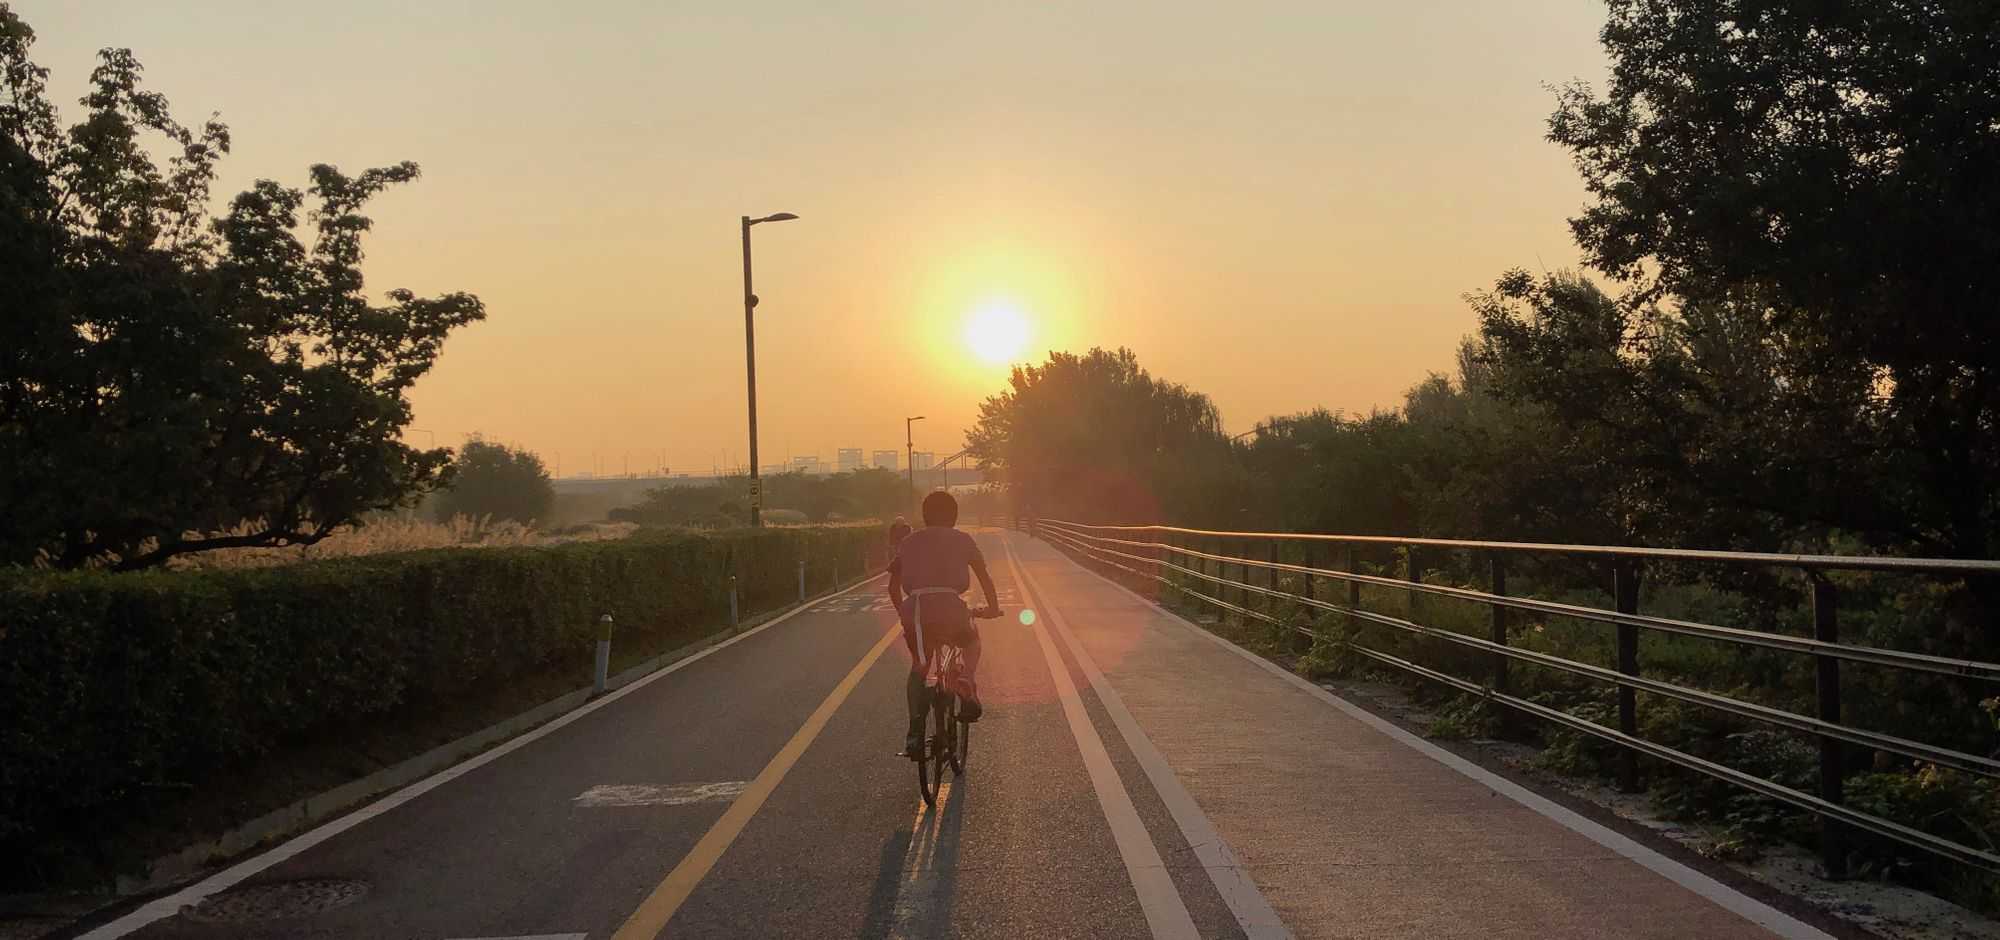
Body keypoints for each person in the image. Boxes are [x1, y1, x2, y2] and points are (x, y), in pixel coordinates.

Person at [888, 491, 1000, 757]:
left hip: (915, 609)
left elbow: (893, 587)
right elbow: (984, 576)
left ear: (924, 515)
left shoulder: (908, 541)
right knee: (970, 639)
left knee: (919, 665)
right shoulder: (963, 539)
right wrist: (993, 608)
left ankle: (915, 733)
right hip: (950, 604)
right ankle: (966, 679)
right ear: (955, 515)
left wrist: (903, 613)